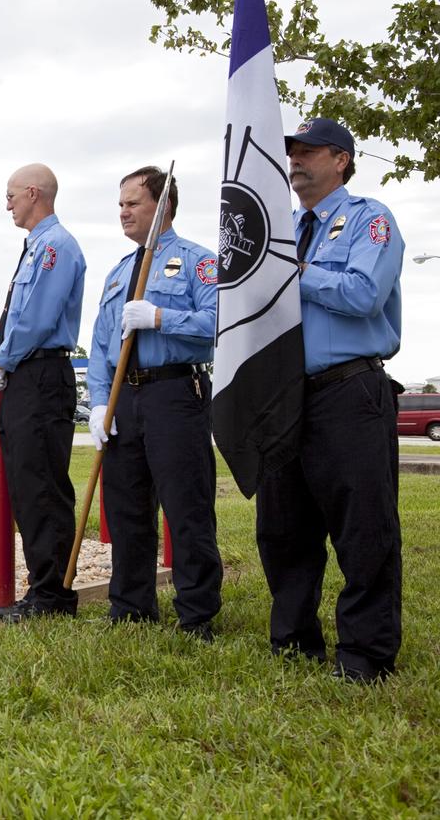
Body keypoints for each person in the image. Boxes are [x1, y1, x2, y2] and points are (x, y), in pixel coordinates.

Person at [255, 118, 405, 682]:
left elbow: (363, 294)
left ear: (341, 159)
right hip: (284, 396)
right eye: (290, 152)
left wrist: (292, 270)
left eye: (308, 152)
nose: (295, 160)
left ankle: (365, 653)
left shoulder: (370, 219)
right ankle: (294, 639)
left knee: (363, 526)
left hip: (348, 389)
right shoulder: (284, 229)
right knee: (282, 525)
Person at [86, 166, 222, 640]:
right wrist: (99, 404)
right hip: (127, 397)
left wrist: (161, 317)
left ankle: (197, 614)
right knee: (125, 507)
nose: (123, 212)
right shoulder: (120, 271)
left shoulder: (197, 262)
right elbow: (102, 345)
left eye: (132, 203)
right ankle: (131, 606)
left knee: (186, 507)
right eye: (120, 204)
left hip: (174, 393)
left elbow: (219, 321)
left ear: (162, 206)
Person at [0, 164, 85, 622]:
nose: (8, 204)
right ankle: (42, 587)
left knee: (41, 488)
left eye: (11, 195)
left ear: (34, 193)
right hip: (27, 376)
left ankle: (52, 597)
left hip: (40, 376)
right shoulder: (37, 248)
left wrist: (2, 358)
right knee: (26, 485)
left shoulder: (56, 247)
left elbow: (37, 319)